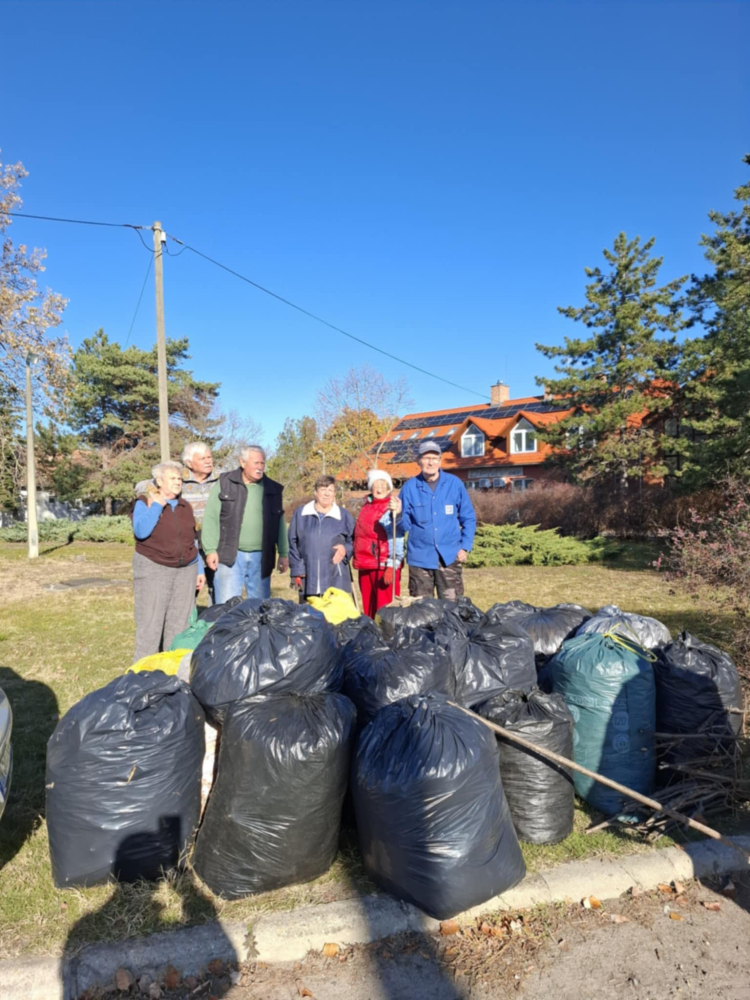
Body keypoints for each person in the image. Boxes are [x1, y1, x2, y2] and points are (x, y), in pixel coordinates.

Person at [130, 461, 205, 661]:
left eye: (180, 478)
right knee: (151, 624)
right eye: (173, 478)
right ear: (160, 481)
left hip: (185, 571)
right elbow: (141, 531)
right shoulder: (144, 501)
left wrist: (200, 570)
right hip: (154, 568)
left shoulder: (184, 506)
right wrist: (157, 505)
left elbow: (192, 540)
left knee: (180, 625)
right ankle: (143, 677)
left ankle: (174, 672)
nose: (178, 482)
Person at [201, 445, 289, 604]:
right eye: (256, 463)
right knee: (226, 608)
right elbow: (211, 517)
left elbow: (280, 523)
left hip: (262, 558)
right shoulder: (225, 483)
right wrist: (210, 550)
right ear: (242, 462)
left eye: (262, 463)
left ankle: (255, 630)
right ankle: (226, 630)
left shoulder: (273, 489)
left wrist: (283, 553)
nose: (260, 467)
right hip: (229, 556)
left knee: (259, 609)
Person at [397, 440, 476, 600]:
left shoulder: (454, 484)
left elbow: (468, 517)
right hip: (420, 559)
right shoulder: (409, 488)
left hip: (449, 556)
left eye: (434, 458)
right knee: (422, 610)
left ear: (440, 461)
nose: (430, 462)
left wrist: (465, 546)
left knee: (452, 608)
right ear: (419, 461)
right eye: (426, 458)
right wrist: (398, 514)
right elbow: (403, 527)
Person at [288, 475, 356, 600]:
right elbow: (292, 542)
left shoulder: (344, 515)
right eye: (323, 490)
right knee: (309, 616)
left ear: (335, 494)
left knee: (334, 617)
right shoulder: (301, 513)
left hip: (335, 576)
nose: (327, 494)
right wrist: (297, 569)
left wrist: (345, 549)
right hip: (308, 576)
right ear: (315, 492)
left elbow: (353, 540)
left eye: (330, 490)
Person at [353, 469, 405, 618]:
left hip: (383, 566)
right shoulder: (365, 506)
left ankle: (387, 639)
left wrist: (392, 564)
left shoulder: (392, 508)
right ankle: (372, 637)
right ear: (370, 487)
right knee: (369, 608)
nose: (380, 488)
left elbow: (398, 538)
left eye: (384, 484)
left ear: (389, 488)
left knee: (386, 610)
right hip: (365, 564)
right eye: (376, 484)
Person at [180, 442, 222, 603]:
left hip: (216, 543)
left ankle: (216, 624)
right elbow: (148, 485)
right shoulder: (179, 478)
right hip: (189, 544)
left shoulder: (222, 479)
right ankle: (186, 623)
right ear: (189, 463)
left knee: (218, 588)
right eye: (202, 458)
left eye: (209, 457)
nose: (208, 461)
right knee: (190, 589)